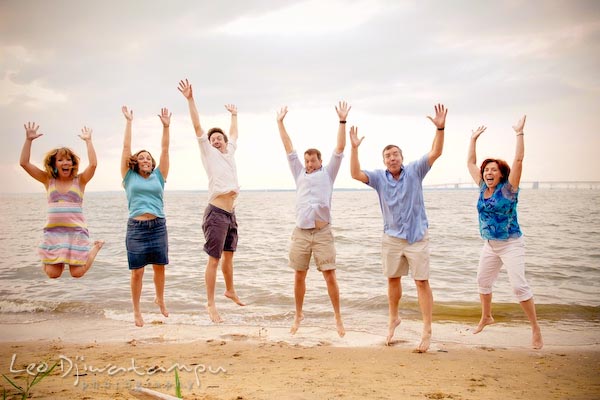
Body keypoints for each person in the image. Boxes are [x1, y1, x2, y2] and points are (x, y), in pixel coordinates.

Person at [349, 104, 447, 352]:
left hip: (416, 236)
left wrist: (440, 127)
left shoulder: (415, 170)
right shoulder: (379, 178)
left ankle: (427, 329)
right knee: (392, 279)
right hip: (392, 237)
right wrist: (354, 148)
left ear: (402, 157)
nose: (392, 158)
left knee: (421, 282)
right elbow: (354, 173)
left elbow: (436, 152)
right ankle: (393, 318)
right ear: (384, 161)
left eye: (395, 154)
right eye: (388, 155)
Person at [466, 116, 543, 349]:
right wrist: (472, 139)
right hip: (490, 244)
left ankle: (535, 328)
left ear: (501, 174)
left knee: (519, 286)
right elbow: (470, 163)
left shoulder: (509, 189)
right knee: (482, 281)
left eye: (493, 170)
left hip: (511, 244)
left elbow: (518, 160)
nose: (488, 172)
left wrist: (519, 133)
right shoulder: (482, 187)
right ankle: (487, 316)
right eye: (486, 169)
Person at [276, 102, 351, 337]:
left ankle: (338, 317)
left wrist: (342, 121)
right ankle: (299, 314)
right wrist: (280, 123)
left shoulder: (328, 173)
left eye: (313, 161)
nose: (309, 164)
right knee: (299, 274)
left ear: (319, 161)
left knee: (330, 275)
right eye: (307, 161)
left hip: (322, 233)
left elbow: (339, 149)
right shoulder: (298, 172)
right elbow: (289, 148)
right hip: (301, 232)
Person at [178, 78, 244, 323]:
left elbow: (235, 133)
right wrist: (190, 99)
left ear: (225, 142)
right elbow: (197, 127)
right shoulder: (209, 153)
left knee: (229, 256)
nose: (216, 140)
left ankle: (230, 290)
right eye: (212, 138)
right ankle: (210, 304)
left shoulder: (231, 152)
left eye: (220, 138)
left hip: (230, 213)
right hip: (216, 212)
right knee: (214, 260)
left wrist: (234, 115)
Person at [19, 122, 104, 279]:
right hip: (54, 233)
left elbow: (93, 164)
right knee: (53, 274)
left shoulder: (80, 180)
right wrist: (28, 140)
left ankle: (96, 247)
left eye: (68, 160)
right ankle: (44, 251)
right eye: (61, 160)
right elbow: (24, 163)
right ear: (54, 164)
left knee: (77, 273)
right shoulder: (47, 179)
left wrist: (88, 141)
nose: (65, 163)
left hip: (76, 232)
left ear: (73, 164)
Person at [121, 106, 171, 327]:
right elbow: (125, 148)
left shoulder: (159, 176)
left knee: (159, 267)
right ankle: (136, 311)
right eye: (141, 157)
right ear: (136, 162)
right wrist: (129, 121)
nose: (146, 160)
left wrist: (166, 126)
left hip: (158, 225)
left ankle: (159, 298)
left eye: (149, 158)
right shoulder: (129, 176)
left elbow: (165, 150)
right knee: (137, 273)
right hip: (137, 228)